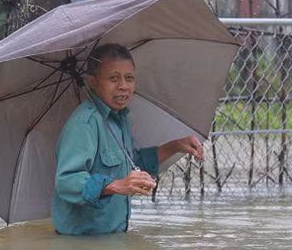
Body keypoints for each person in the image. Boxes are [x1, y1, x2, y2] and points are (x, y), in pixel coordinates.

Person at [52, 43, 204, 235]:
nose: (123, 86)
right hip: (81, 243)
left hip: (113, 238)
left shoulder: (119, 119)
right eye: (113, 78)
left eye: (129, 78)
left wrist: (174, 146)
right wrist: (115, 185)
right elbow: (67, 181)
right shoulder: (85, 123)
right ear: (92, 81)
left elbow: (131, 164)